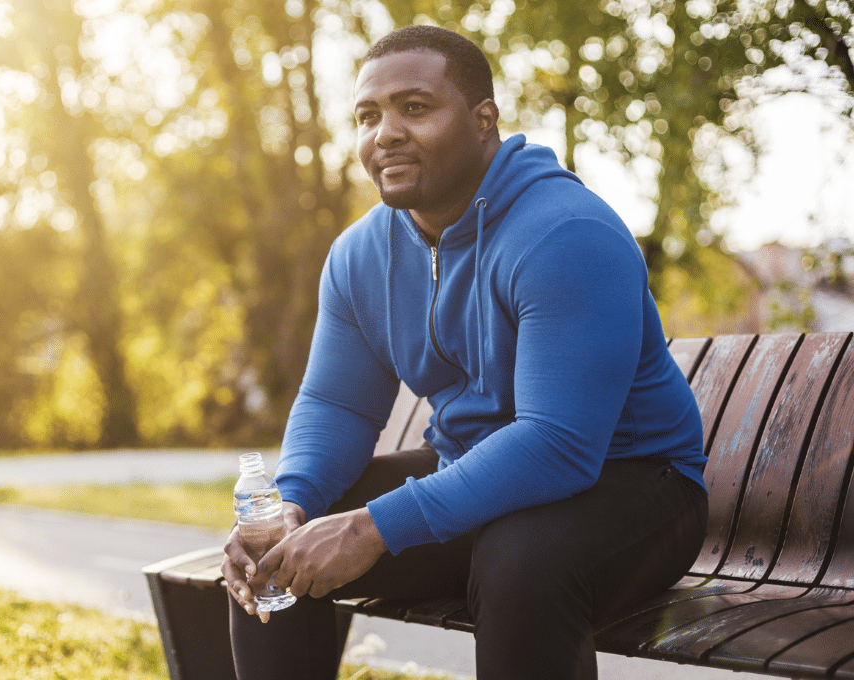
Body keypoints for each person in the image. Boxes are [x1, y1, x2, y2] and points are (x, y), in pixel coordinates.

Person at [222, 24, 709, 680]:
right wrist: (293, 501)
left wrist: (372, 529)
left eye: (414, 108)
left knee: (521, 562)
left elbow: (559, 445)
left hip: (633, 483)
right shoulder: (360, 255)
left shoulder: (565, 233)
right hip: (475, 466)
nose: (385, 132)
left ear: (485, 121)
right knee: (275, 549)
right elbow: (337, 403)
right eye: (368, 115)